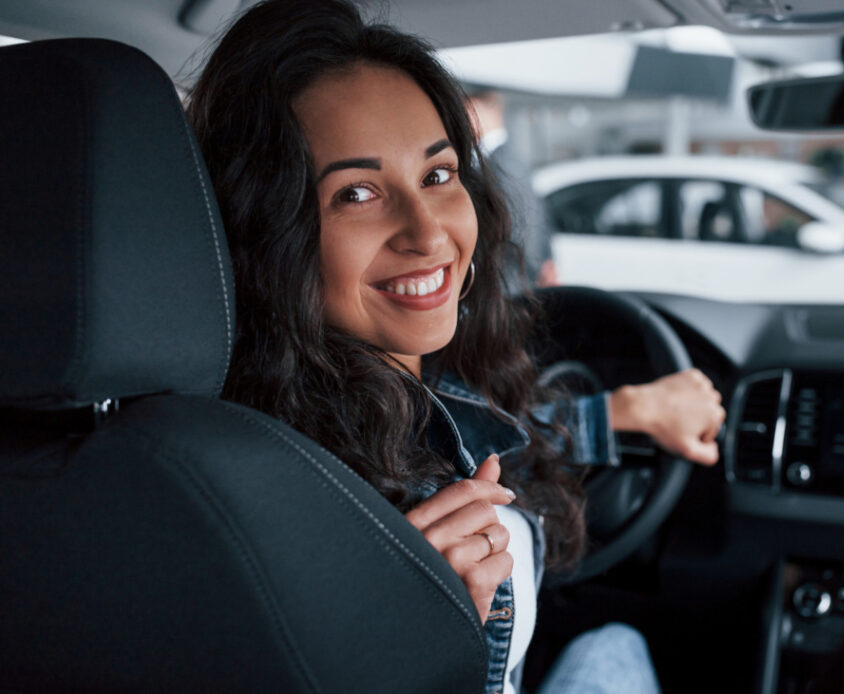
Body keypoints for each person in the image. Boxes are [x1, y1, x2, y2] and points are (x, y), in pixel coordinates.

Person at [186, 1, 725, 692]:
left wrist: (624, 411)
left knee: (616, 643)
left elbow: (498, 448)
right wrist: (410, 645)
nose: (429, 234)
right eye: (356, 193)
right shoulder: (269, 502)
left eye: (437, 176)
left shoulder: (419, 392)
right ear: (266, 233)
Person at [466, 86, 559, 288]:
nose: (463, 120)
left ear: (489, 111)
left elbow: (523, 229)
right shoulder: (498, 158)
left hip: (508, 285)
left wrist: (514, 285)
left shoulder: (502, 162)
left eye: (468, 111)